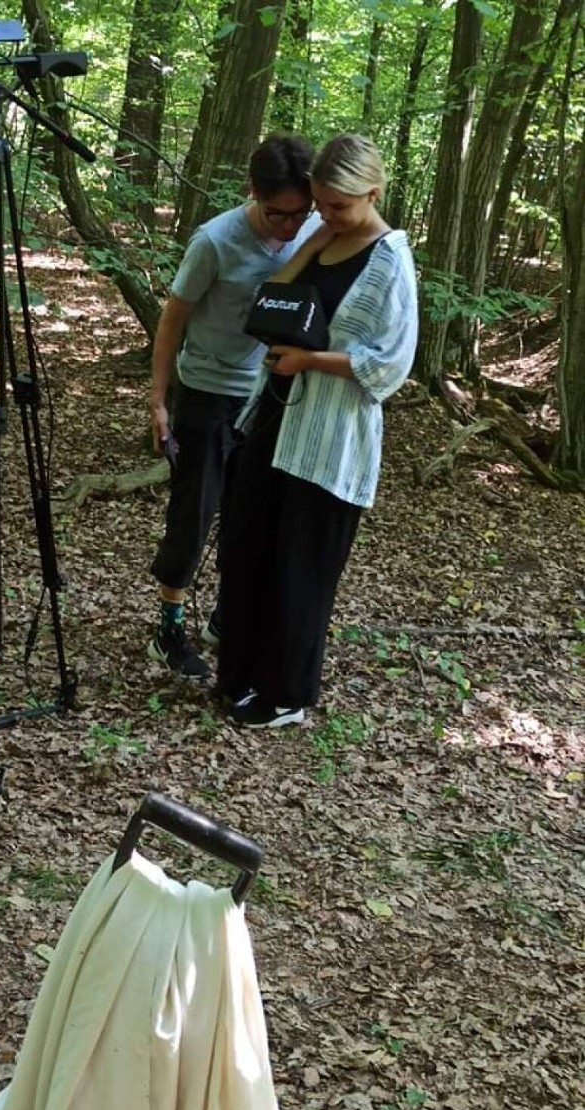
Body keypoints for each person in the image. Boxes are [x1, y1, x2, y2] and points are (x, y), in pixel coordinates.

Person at [217, 134, 419, 727]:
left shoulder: (390, 260)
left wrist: (310, 361)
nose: (325, 215)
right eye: (321, 203)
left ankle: (287, 695)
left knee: (301, 568)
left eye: (339, 207)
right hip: (276, 418)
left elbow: (389, 365)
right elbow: (272, 301)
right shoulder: (321, 239)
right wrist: (319, 241)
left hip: (332, 438)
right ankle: (243, 676)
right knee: (251, 549)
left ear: (373, 194)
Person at [147, 134, 323, 678]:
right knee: (195, 509)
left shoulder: (313, 233)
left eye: (301, 213)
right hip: (205, 391)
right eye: (278, 214)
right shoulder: (216, 241)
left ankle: (226, 616)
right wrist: (158, 401)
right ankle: (168, 628)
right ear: (253, 193)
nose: (289, 227)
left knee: (253, 511)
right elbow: (172, 318)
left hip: (268, 393)